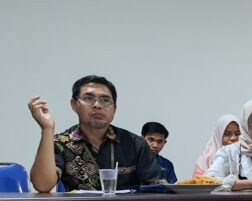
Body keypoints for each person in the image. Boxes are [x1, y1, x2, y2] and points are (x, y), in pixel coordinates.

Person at [27, 75, 160, 192]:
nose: (97, 105)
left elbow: (158, 187)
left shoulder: (134, 144)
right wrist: (47, 129)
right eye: (89, 98)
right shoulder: (62, 143)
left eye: (105, 100)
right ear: (74, 104)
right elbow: (42, 185)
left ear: (114, 109)